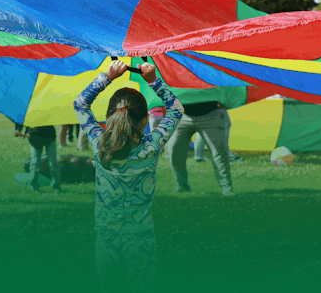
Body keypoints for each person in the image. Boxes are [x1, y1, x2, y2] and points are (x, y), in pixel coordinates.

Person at [74, 61, 183, 293]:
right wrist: (153, 80)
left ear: (108, 118)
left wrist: (108, 76)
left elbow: (80, 104)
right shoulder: (152, 146)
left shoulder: (99, 144)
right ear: (145, 120)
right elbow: (176, 109)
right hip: (140, 235)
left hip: (106, 235)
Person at [167, 100, 236, 196]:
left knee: (219, 154)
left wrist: (224, 101)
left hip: (211, 113)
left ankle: (227, 188)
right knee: (174, 151)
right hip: (182, 114)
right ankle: (182, 186)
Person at [14, 122, 61, 193]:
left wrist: (24, 134)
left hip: (49, 136)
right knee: (35, 162)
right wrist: (18, 129)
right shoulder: (29, 112)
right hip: (35, 139)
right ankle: (33, 185)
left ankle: (56, 186)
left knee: (53, 163)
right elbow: (21, 117)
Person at [24, 154, 95, 184]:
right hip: (75, 171)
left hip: (77, 164)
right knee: (75, 161)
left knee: (75, 160)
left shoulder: (47, 158)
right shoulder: (48, 174)